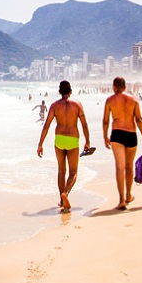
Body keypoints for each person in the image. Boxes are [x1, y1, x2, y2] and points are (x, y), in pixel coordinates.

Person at [37, 81, 91, 214]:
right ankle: (65, 193)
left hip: (59, 140)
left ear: (59, 92)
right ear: (71, 91)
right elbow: (84, 125)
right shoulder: (77, 105)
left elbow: (47, 125)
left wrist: (40, 144)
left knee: (61, 170)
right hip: (73, 140)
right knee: (73, 172)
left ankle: (62, 201)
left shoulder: (55, 106)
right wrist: (87, 141)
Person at [102, 77, 142, 211]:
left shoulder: (110, 100)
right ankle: (128, 195)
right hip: (131, 134)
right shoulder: (133, 100)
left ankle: (121, 200)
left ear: (114, 87)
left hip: (117, 134)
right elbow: (139, 119)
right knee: (129, 167)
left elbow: (105, 121)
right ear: (125, 87)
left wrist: (105, 136)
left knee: (119, 167)